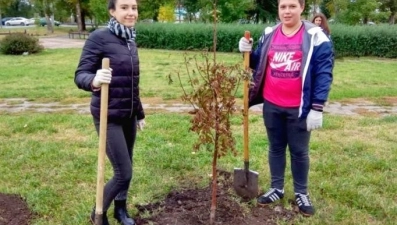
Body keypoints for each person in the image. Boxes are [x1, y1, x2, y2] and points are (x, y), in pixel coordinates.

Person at [238, 0, 333, 217]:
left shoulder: (316, 36)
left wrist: (317, 107)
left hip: (299, 108)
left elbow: (324, 73)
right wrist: (247, 51)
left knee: (299, 152)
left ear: (302, 7)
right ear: (278, 9)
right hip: (272, 104)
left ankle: (301, 193)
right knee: (276, 147)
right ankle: (276, 188)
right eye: (283, 7)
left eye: (292, 6)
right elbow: (258, 62)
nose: (287, 11)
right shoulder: (270, 33)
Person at [74, 0, 145, 224]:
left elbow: (132, 83)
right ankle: (98, 212)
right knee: (123, 172)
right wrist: (94, 80)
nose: (131, 12)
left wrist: (139, 113)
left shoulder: (130, 40)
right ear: (112, 11)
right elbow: (80, 74)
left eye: (133, 8)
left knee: (128, 165)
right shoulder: (99, 38)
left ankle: (120, 210)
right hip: (108, 116)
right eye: (124, 7)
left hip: (129, 115)